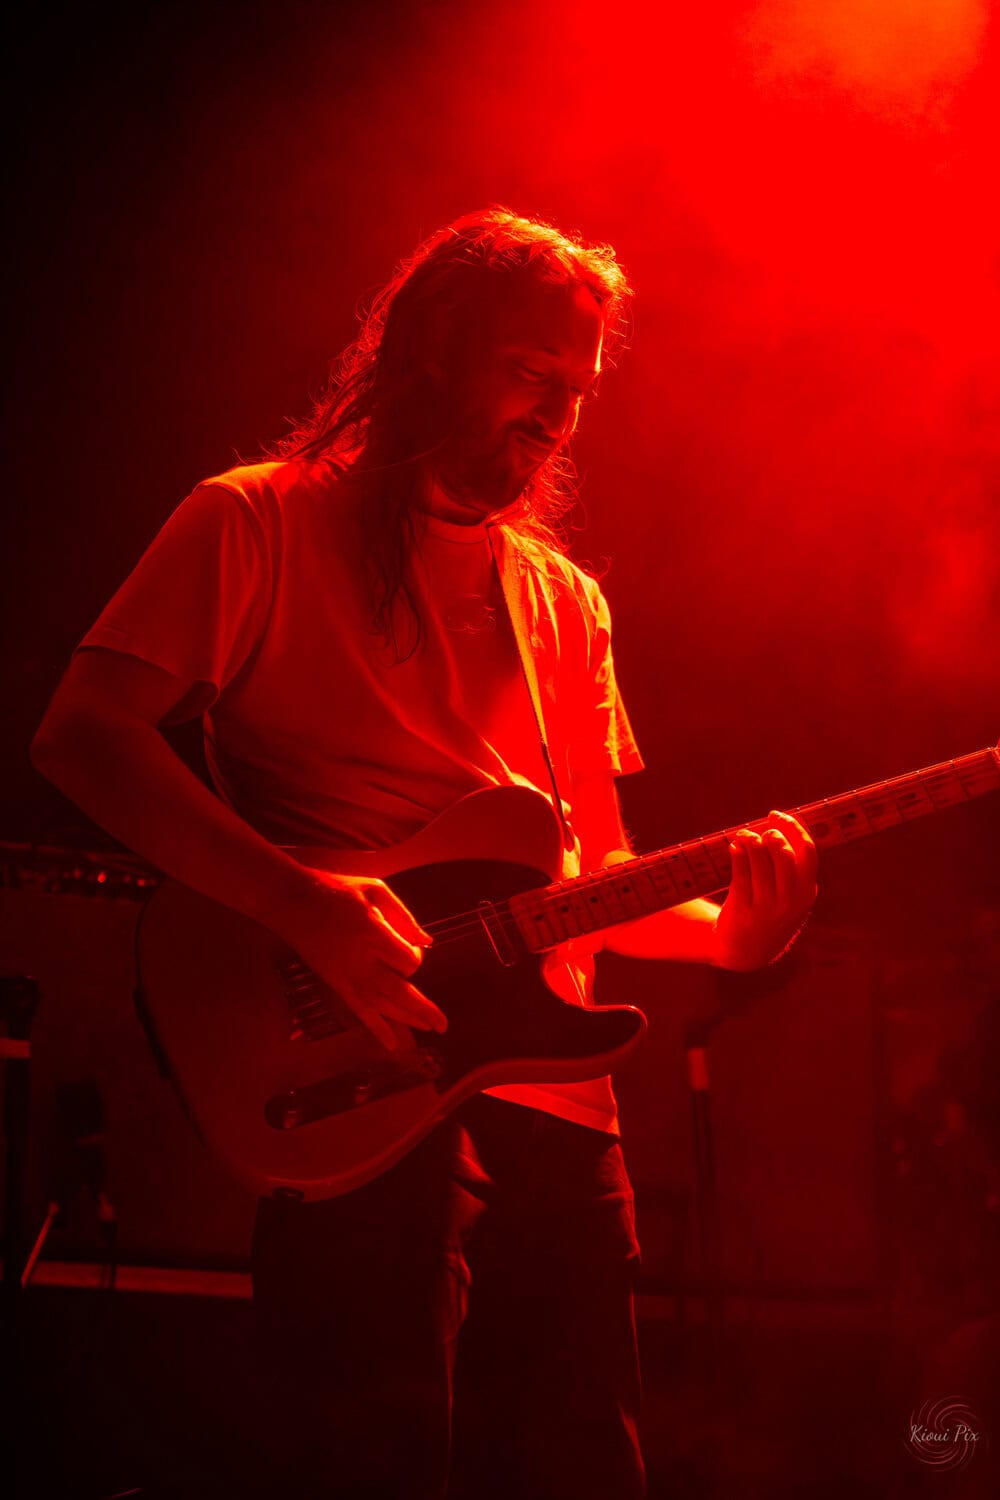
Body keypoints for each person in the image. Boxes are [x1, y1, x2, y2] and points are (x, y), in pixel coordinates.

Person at [31, 207, 818, 1499]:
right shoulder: (255, 521)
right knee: (373, 1456)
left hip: (559, 1105)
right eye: (532, 373)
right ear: (434, 352)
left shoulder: (565, 602)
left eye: (579, 390)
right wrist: (306, 906)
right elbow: (82, 737)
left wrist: (733, 938)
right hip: (364, 1084)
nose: (560, 415)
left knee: (585, 1467)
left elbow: (589, 880)